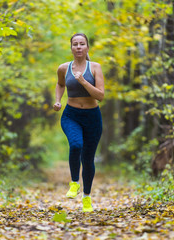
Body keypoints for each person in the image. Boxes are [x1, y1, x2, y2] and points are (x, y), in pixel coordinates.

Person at [53, 33, 105, 212]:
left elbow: (101, 95)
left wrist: (83, 81)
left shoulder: (95, 68)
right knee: (76, 145)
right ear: (71, 48)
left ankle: (87, 198)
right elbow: (60, 84)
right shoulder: (63, 68)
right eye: (75, 44)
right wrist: (58, 100)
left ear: (87, 48)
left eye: (82, 44)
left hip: (92, 117)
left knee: (88, 158)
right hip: (71, 115)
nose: (78, 47)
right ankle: (74, 182)